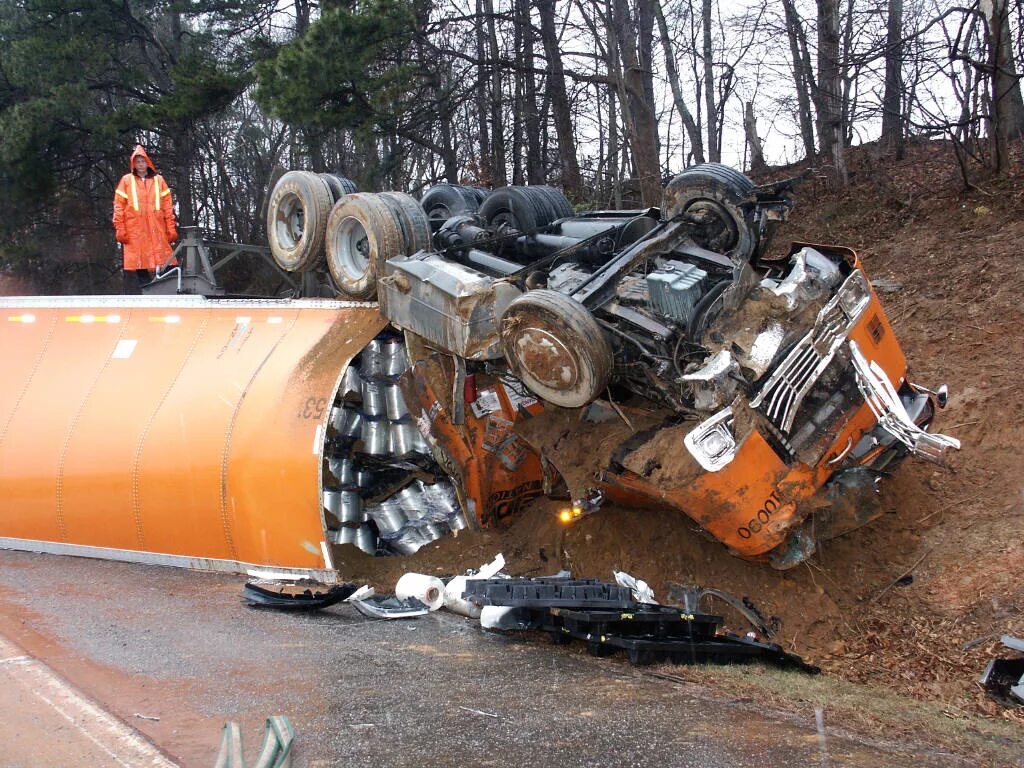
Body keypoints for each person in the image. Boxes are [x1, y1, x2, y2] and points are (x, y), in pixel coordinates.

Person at [113, 145, 178, 293]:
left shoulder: (158, 180)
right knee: (139, 262)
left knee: (167, 260)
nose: (141, 165)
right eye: (137, 162)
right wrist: (120, 228)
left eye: (142, 161)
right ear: (133, 164)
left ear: (147, 162)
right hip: (135, 230)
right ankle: (148, 292)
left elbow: (168, 206)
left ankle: (171, 290)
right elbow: (118, 207)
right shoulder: (126, 181)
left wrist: (170, 227)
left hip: (157, 228)